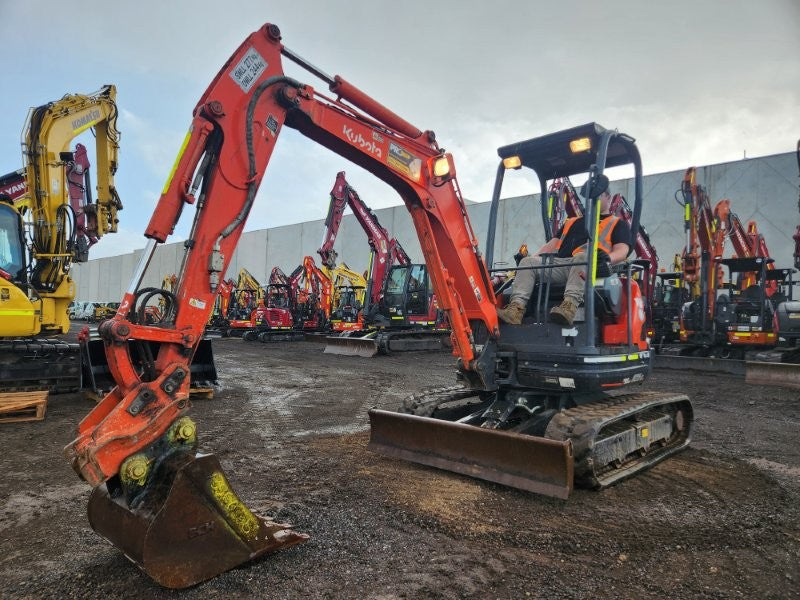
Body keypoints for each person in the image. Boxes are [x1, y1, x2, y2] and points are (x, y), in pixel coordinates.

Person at [497, 175, 631, 327]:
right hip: (562, 266)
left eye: (598, 196)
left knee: (582, 257)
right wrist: (526, 261)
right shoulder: (572, 222)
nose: (593, 200)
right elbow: (551, 245)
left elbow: (622, 251)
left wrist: (606, 258)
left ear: (608, 198)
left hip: (592, 267)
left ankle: (569, 307)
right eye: (590, 197)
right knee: (528, 263)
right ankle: (516, 310)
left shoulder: (617, 224)